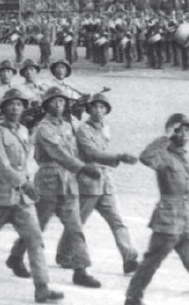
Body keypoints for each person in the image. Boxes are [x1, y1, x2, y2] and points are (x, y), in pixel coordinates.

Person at [0, 88, 64, 303]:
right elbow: (2, 164)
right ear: (3, 108)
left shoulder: (25, 131)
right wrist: (24, 182)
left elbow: (28, 160)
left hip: (22, 199)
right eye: (10, 104)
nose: (15, 108)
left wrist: (31, 180)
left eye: (19, 104)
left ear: (23, 107)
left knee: (35, 239)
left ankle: (42, 287)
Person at [7, 87, 102, 288]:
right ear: (46, 105)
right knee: (36, 227)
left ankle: (81, 269)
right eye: (54, 102)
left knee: (75, 227)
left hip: (68, 182)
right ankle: (16, 256)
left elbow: (75, 152)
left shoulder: (68, 126)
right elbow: (58, 153)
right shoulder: (43, 128)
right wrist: (83, 168)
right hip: (48, 182)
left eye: (61, 101)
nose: (59, 105)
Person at [125, 114, 189, 305]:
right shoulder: (163, 156)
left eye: (187, 131)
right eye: (180, 130)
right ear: (172, 132)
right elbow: (146, 157)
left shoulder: (184, 157)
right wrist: (165, 136)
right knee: (151, 263)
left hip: (188, 219)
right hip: (168, 220)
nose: (185, 135)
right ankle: (133, 298)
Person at [54, 93, 139, 274]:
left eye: (102, 107)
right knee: (78, 222)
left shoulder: (105, 128)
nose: (99, 111)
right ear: (89, 109)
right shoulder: (83, 129)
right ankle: (63, 253)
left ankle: (129, 257)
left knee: (117, 221)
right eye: (95, 107)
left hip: (105, 182)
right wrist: (119, 157)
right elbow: (91, 152)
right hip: (89, 182)